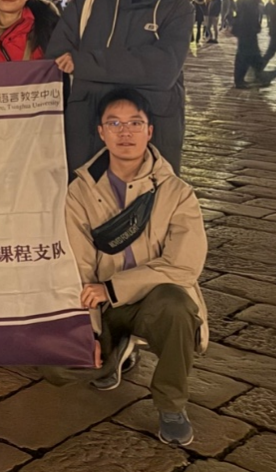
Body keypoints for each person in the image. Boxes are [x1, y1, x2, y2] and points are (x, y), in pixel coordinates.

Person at [62, 88, 208, 447]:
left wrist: (113, 289)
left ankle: (171, 405)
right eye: (114, 123)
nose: (124, 132)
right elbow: (80, 267)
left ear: (149, 131)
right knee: (57, 367)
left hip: (152, 302)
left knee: (176, 306)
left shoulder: (177, 192)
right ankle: (115, 350)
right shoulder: (79, 192)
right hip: (104, 306)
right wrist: (89, 332)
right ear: (101, 132)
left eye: (134, 123)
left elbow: (184, 267)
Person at [47, 0, 193, 175]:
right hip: (88, 126)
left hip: (153, 127)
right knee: (86, 198)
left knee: (149, 198)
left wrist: (86, 64)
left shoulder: (177, 5)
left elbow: (164, 68)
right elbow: (58, 60)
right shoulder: (87, 0)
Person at [231, 0, 266, 89]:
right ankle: (241, 81)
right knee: (247, 57)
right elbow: (251, 19)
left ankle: (254, 77)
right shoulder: (253, 4)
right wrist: (256, 28)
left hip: (245, 33)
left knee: (248, 56)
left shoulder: (247, 3)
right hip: (248, 33)